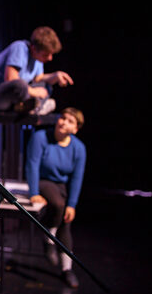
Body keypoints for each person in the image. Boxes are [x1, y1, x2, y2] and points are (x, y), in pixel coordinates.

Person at [25, 107, 86, 288]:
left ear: (75, 129)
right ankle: (49, 239)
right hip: (43, 181)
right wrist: (34, 192)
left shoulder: (79, 148)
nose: (64, 122)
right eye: (63, 118)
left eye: (70, 121)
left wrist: (72, 205)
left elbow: (76, 177)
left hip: (61, 186)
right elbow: (32, 165)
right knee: (59, 205)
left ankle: (67, 269)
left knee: (66, 220)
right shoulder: (40, 137)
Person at [0, 26, 74, 115]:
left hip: (12, 101)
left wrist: (55, 76)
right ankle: (36, 107)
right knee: (19, 85)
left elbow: (38, 79)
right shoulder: (20, 48)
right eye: (46, 55)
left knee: (46, 85)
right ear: (34, 49)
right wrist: (34, 92)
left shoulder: (37, 59)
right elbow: (11, 79)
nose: (50, 58)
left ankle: (33, 106)